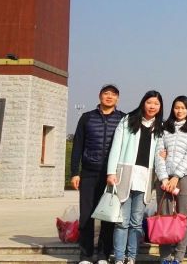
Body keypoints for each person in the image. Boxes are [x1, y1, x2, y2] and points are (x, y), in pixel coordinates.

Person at [107, 90, 164, 264]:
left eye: (156, 104)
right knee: (122, 222)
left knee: (136, 222)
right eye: (149, 102)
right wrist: (111, 172)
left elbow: (161, 153)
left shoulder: (160, 127)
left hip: (145, 178)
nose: (152, 106)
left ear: (160, 107)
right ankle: (119, 258)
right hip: (124, 175)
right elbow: (116, 147)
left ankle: (131, 257)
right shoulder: (128, 120)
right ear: (143, 103)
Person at [70, 84, 126, 264]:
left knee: (108, 215)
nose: (109, 97)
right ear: (100, 96)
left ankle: (103, 254)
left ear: (117, 98)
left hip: (112, 175)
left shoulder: (123, 119)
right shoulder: (87, 118)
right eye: (106, 94)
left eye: (113, 94)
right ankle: (85, 255)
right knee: (86, 214)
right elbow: (78, 146)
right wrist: (74, 172)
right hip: (89, 172)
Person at [154, 96, 187, 264]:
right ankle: (165, 257)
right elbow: (159, 153)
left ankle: (179, 256)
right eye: (176, 107)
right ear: (172, 109)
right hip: (164, 179)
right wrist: (163, 178)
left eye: (183, 108)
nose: (179, 111)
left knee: (183, 218)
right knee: (164, 218)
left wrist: (176, 176)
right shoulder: (164, 127)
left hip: (185, 177)